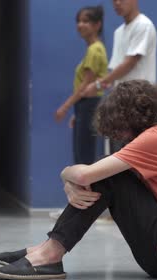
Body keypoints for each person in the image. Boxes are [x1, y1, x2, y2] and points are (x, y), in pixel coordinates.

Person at [0, 80, 157, 280]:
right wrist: (72, 183)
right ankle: (45, 248)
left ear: (128, 116)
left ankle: (50, 253)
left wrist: (66, 174)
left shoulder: (156, 139)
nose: (117, 135)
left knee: (110, 176)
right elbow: (86, 175)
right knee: (108, 171)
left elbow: (84, 175)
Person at [82, 0, 157, 154]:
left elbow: (130, 62)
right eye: (113, 0)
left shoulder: (143, 25)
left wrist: (97, 84)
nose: (117, 3)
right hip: (120, 105)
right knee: (118, 156)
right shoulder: (119, 32)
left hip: (139, 103)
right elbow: (116, 71)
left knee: (135, 157)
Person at [54, 5, 109, 165]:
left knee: (84, 157)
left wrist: (65, 107)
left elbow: (85, 85)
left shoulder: (95, 50)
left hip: (89, 106)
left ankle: (88, 189)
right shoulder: (95, 49)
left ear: (97, 25)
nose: (80, 25)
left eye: (85, 21)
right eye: (78, 21)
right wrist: (77, 112)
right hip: (85, 107)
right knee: (83, 153)